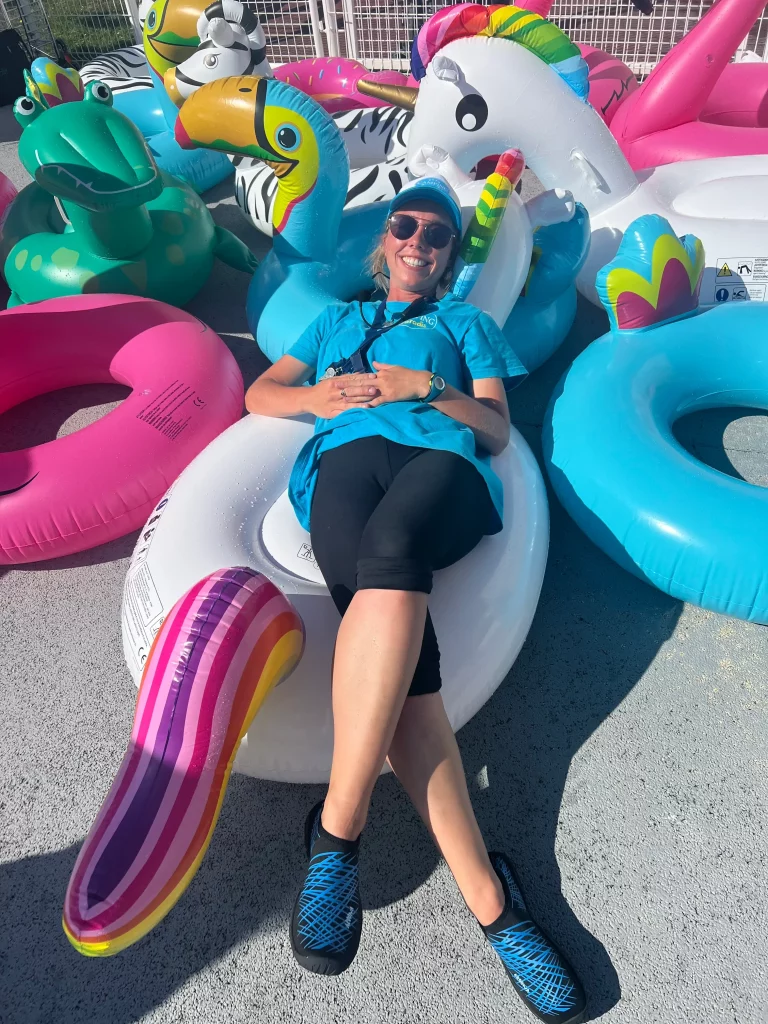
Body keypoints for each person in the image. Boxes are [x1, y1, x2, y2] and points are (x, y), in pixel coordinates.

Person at [246, 175, 586, 1024]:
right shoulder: (337, 321)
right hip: (341, 466)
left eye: (438, 235)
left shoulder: (464, 323)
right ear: (385, 239)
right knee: (409, 679)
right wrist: (316, 397)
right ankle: (495, 903)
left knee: (393, 550)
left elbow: (496, 428)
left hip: (438, 461)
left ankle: (337, 834)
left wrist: (425, 390)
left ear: (448, 257)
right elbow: (262, 394)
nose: (419, 242)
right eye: (406, 226)